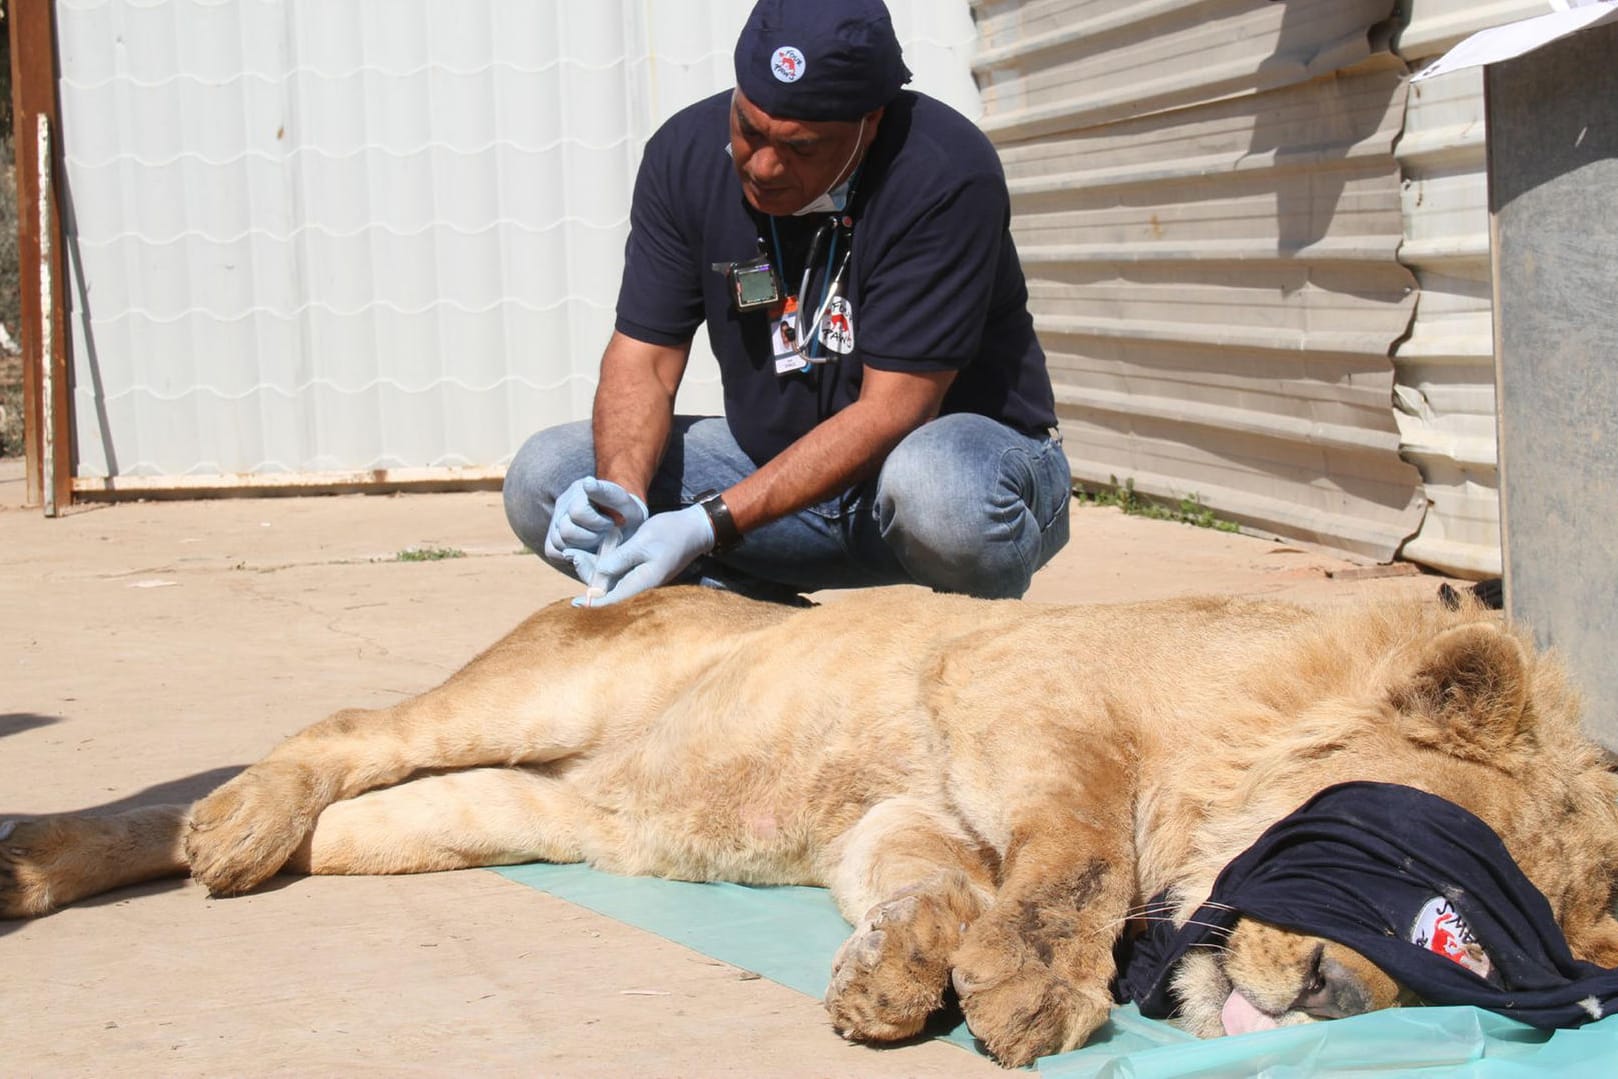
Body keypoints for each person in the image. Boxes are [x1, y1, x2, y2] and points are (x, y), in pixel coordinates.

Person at [503, 0, 1070, 607]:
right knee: (547, 477)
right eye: (749, 130)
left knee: (940, 491)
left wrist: (707, 523)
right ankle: (757, 638)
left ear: (869, 121)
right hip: (776, 480)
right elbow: (643, 359)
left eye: (802, 147)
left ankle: (975, 664)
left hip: (950, 482)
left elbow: (895, 409)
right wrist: (624, 498)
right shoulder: (684, 156)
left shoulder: (943, 172)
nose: (765, 166)